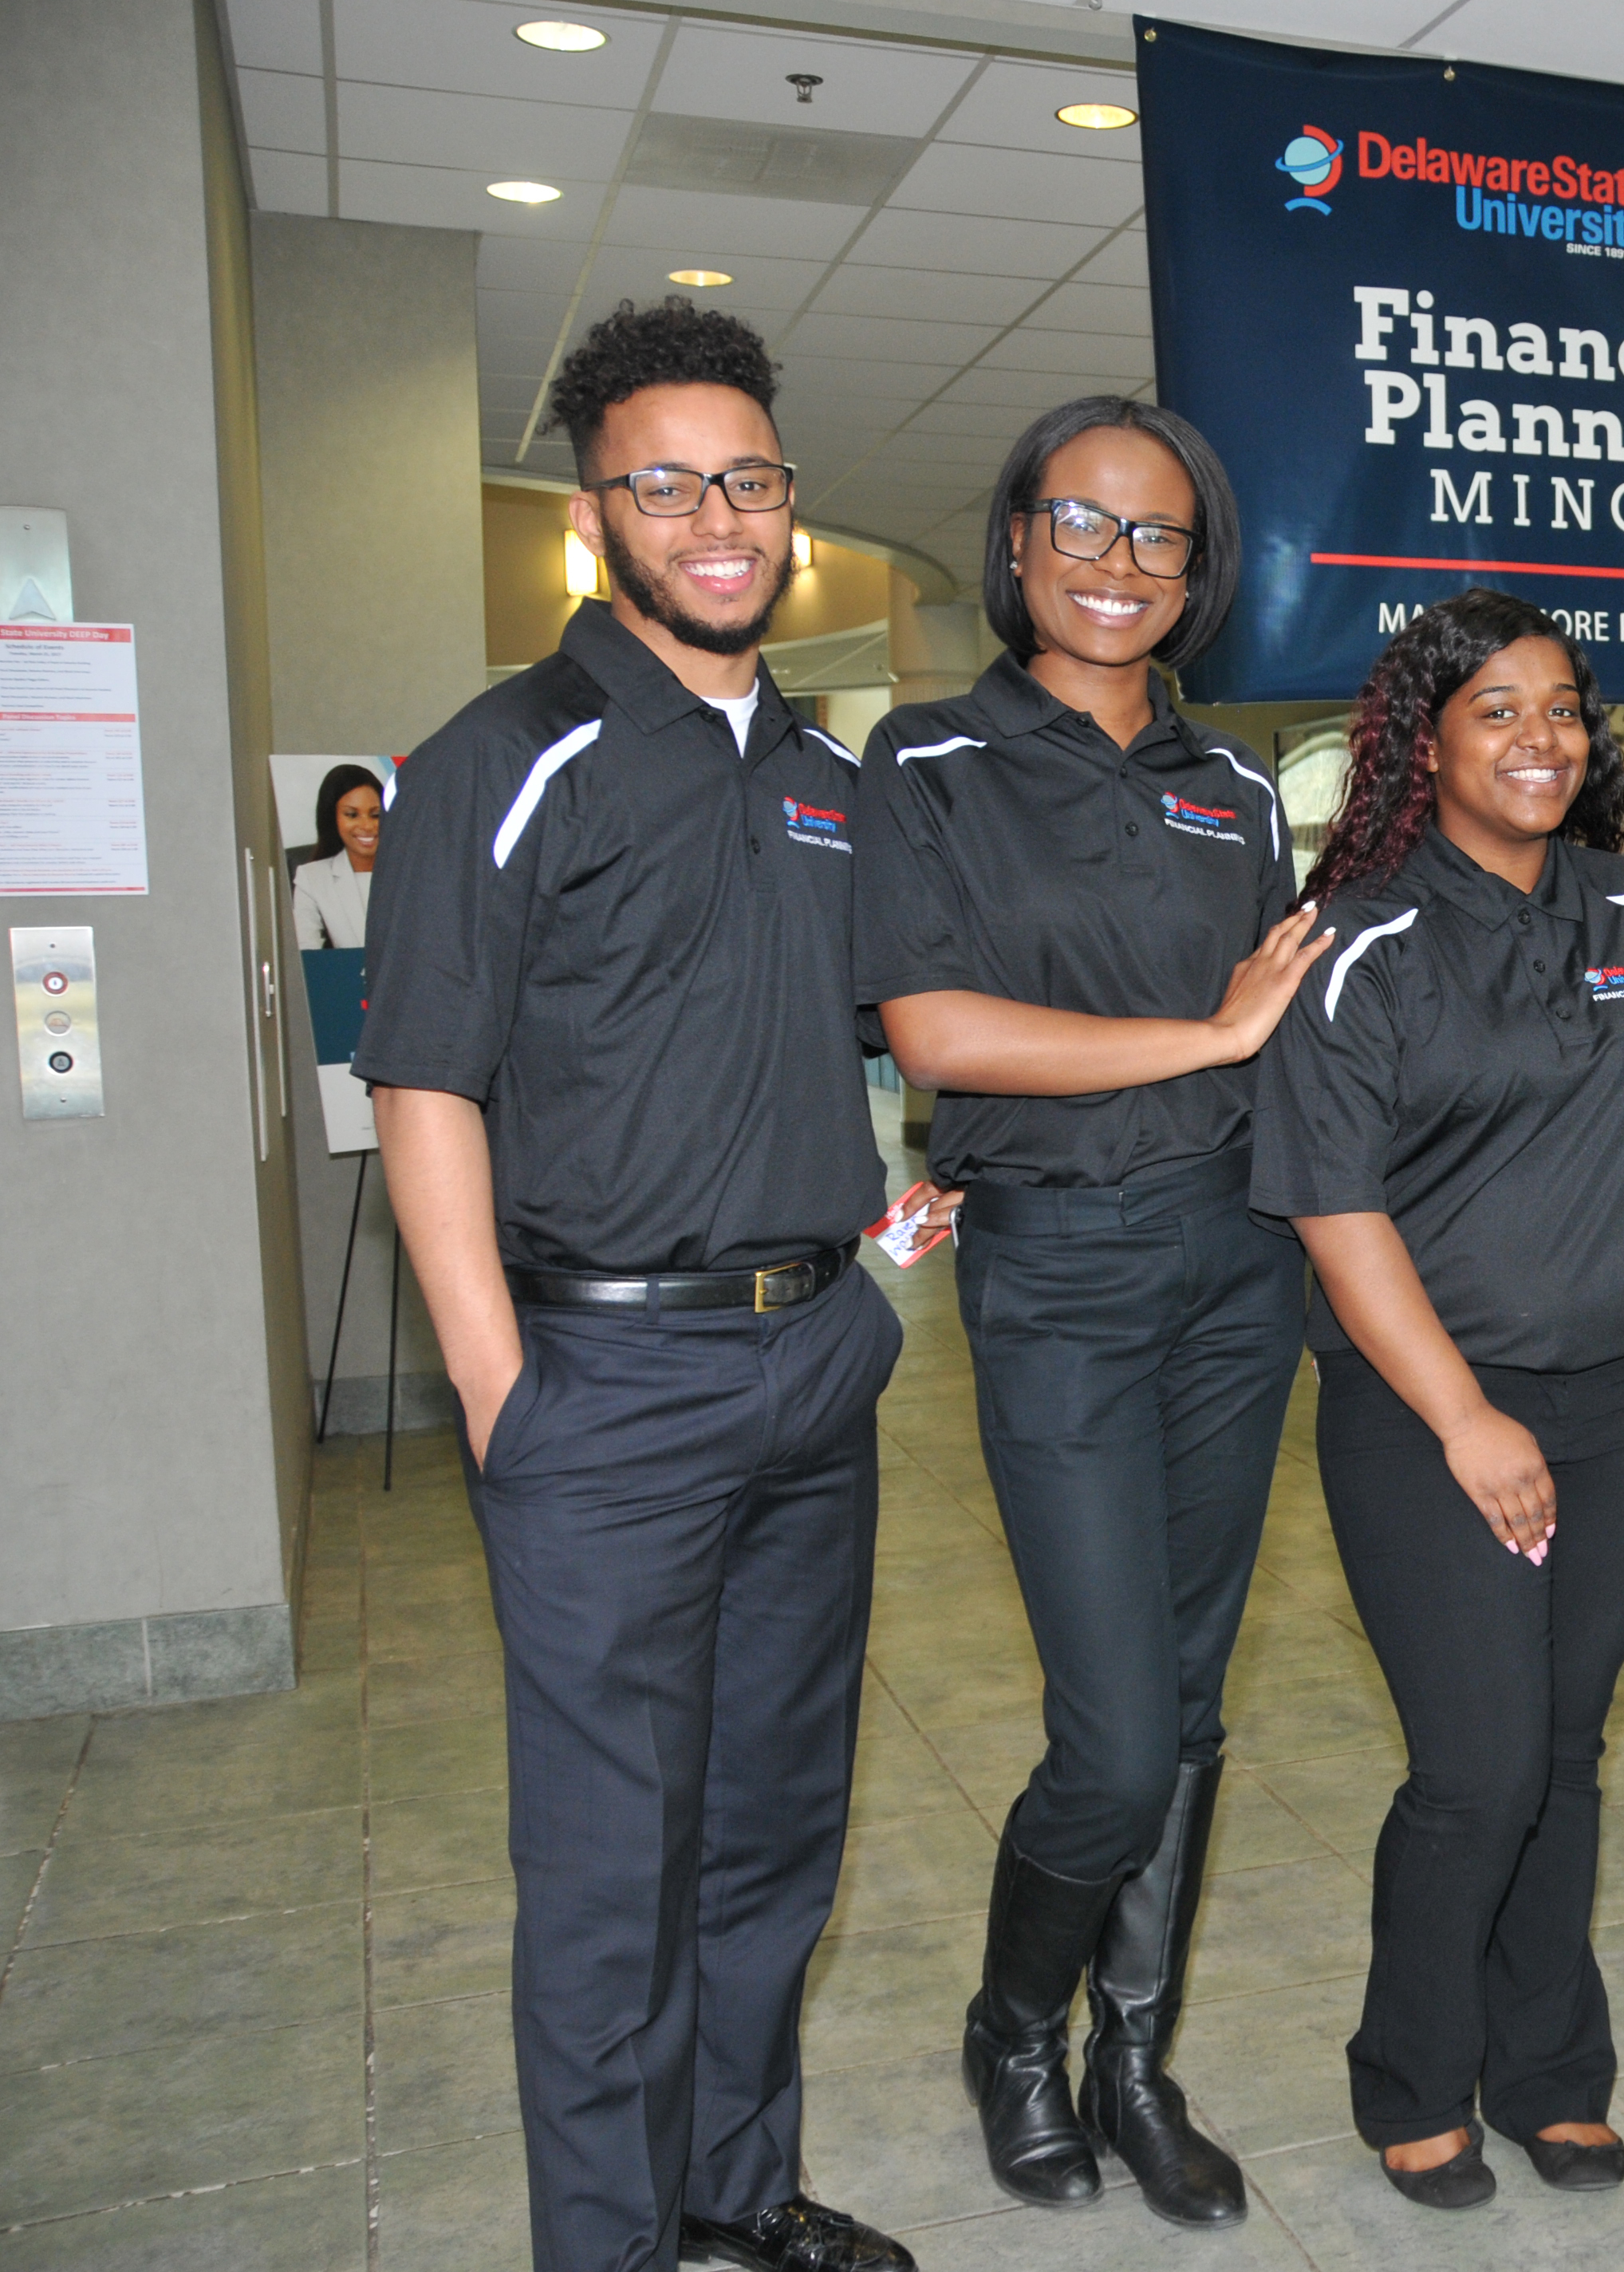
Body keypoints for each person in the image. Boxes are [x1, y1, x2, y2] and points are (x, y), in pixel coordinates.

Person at [358, 299, 917, 2272]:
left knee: (771, 1835)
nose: (715, 515)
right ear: (596, 518)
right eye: (665, 483)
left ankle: (730, 2193)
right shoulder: (504, 759)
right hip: (602, 1391)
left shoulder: (827, 771)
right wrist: (502, 1390)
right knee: (611, 1872)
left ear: (789, 512)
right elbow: (425, 1080)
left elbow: (881, 1024)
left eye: (747, 479)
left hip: (813, 1363)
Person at [852, 396, 1330, 2225]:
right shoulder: (924, 760)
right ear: (1019, 540)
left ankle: (1135, 2054)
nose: (1120, 562)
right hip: (1057, 1266)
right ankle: (1010, 2025)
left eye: (1160, 537)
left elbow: (1298, 1042)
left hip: (1237, 1266)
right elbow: (940, 1030)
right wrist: (1205, 1032)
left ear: (1198, 571)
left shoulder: (1231, 788)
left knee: (1193, 1708)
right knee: (1115, 1729)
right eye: (1084, 522)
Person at [1249, 591, 1624, 2211]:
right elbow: (1332, 1205)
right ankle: (1410, 2070)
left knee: (1565, 1746)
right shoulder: (1360, 940)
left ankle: (1549, 2073)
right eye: (1497, 711)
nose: (1539, 739)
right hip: (1424, 1411)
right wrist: (1463, 1415)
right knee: (1478, 1760)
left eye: (1562, 709)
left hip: (1622, 1400)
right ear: (1425, 742)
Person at [291, 763, 384, 948]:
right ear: (333, 818)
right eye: (352, 815)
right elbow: (307, 954)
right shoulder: (312, 878)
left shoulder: (415, 874)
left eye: (375, 815)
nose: (367, 826)